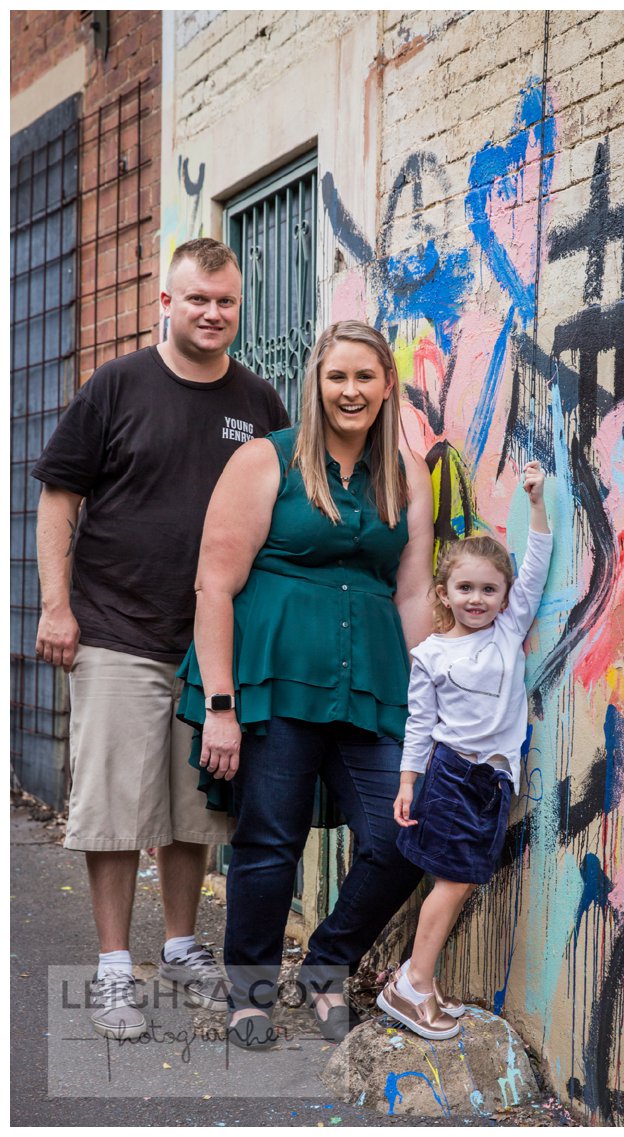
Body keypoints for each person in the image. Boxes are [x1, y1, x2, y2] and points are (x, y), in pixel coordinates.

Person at [30, 238, 290, 1040]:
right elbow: (59, 501)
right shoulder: (117, 385)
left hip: (209, 644)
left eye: (226, 301)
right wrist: (55, 605)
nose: (213, 313)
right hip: (114, 625)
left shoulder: (261, 402)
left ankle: (179, 945)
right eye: (198, 298)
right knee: (111, 804)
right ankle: (114, 967)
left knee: (194, 806)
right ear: (165, 302)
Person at [179, 320, 435, 1049]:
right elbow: (214, 584)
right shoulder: (269, 459)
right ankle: (250, 991)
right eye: (337, 377)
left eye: (365, 377)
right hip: (274, 678)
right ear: (316, 383)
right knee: (270, 840)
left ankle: (327, 963)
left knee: (400, 835)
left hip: (373, 683)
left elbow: (413, 594)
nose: (350, 391)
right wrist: (222, 706)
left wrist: (428, 709)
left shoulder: (406, 472)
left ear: (388, 385)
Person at [381, 463, 554, 1039]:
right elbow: (420, 725)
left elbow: (535, 564)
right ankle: (412, 988)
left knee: (459, 883)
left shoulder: (507, 631)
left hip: (494, 783)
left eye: (489, 589)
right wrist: (408, 783)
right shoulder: (431, 654)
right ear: (444, 593)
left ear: (504, 597)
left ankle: (420, 982)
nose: (477, 599)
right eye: (465, 588)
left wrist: (535, 503)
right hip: (452, 776)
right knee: (450, 885)